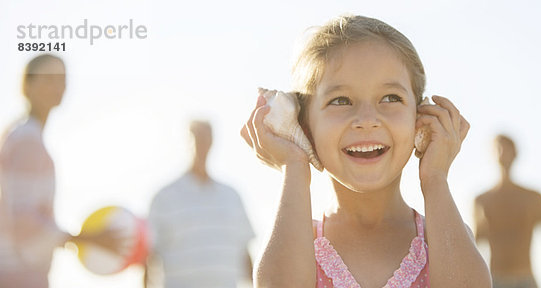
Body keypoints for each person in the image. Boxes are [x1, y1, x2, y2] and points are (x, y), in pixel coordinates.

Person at [241, 15, 491, 288]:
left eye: (390, 98)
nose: (367, 119)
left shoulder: (444, 237)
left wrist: (435, 178)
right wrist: (294, 166)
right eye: (341, 100)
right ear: (305, 127)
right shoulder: (296, 240)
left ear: (419, 118)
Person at [0, 54, 122, 288]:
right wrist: (88, 239)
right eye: (48, 78)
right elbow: (24, 221)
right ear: (28, 85)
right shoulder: (27, 141)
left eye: (62, 79)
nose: (57, 86)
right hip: (17, 274)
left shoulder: (21, 136)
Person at [146, 120, 255, 288]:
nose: (202, 142)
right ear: (187, 141)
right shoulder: (164, 196)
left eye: (206, 137)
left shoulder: (232, 196)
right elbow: (149, 255)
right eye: (197, 136)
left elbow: (244, 252)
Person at [474, 134, 541, 288]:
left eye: (506, 148)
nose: (502, 152)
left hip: (526, 280)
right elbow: (474, 248)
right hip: (494, 280)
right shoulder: (482, 201)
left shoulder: (533, 198)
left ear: (515, 153)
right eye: (498, 148)